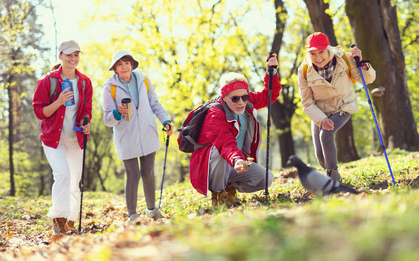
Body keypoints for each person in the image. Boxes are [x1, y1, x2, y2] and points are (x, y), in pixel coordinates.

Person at [189, 54, 280, 208]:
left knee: (267, 178)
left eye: (244, 97)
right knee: (219, 151)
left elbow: (269, 95)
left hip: (234, 162)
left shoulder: (246, 100)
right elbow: (225, 144)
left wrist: (272, 73)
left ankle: (230, 187)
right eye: (235, 99)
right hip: (210, 167)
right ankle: (218, 194)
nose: (241, 102)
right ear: (224, 97)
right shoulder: (215, 114)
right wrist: (237, 159)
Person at [103, 50, 173, 222]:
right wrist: (117, 113)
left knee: (148, 172)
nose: (124, 66)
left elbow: (155, 104)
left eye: (127, 63)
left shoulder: (143, 80)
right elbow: (107, 119)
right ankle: (133, 215)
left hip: (147, 132)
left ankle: (152, 210)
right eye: (120, 64)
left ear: (132, 65)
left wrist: (166, 121)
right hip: (126, 136)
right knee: (133, 174)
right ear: (115, 69)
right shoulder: (109, 87)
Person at [33, 40, 92, 234]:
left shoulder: (84, 82)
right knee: (63, 175)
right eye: (69, 55)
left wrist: (86, 123)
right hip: (52, 139)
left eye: (76, 55)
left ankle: (71, 219)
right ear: (60, 56)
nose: (73, 59)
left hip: (75, 138)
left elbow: (86, 110)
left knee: (74, 179)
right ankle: (58, 218)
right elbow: (40, 112)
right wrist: (59, 102)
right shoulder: (47, 82)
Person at [298, 32, 376, 181]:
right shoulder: (304, 70)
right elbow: (307, 103)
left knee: (326, 135)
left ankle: (334, 178)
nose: (318, 57)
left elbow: (367, 79)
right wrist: (321, 119)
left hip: (343, 105)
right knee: (320, 155)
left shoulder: (345, 59)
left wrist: (362, 64)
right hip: (319, 110)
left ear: (329, 49)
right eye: (313, 53)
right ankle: (329, 171)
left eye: (321, 51)